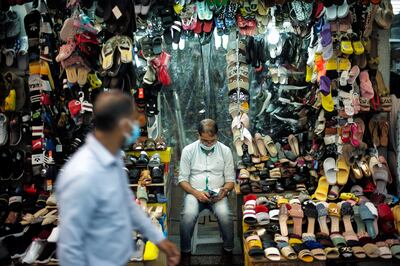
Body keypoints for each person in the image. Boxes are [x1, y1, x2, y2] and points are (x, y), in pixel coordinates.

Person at [56, 90, 180, 266]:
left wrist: (158, 239)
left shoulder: (112, 160)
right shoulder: (82, 173)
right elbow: (71, 246)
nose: (137, 128)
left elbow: (127, 205)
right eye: (132, 121)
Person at [178, 119, 235, 263]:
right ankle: (185, 252)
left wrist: (224, 190)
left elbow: (230, 180)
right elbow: (182, 180)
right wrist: (197, 193)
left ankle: (228, 251)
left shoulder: (225, 151)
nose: (208, 144)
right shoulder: (188, 150)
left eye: (212, 141)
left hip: (218, 194)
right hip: (194, 192)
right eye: (204, 141)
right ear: (198, 135)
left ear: (217, 136)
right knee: (187, 215)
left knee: (225, 215)